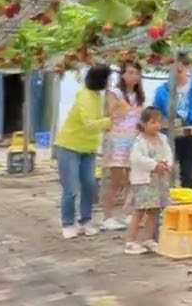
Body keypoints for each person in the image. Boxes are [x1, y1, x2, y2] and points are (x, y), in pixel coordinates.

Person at [56, 64, 114, 239]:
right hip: (69, 147)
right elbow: (89, 124)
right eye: (109, 78)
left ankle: (86, 220)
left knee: (89, 186)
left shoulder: (98, 96)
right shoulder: (84, 97)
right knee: (71, 188)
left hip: (88, 149)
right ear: (101, 79)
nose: (110, 82)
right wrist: (110, 121)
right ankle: (67, 223)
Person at [152, 53, 192, 191]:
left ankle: (187, 201)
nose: (176, 74)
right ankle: (166, 202)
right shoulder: (162, 91)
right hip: (168, 135)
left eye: (179, 70)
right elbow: (155, 113)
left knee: (188, 172)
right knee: (167, 170)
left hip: (189, 134)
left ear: (187, 68)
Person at [98, 61, 143, 231]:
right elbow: (112, 113)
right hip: (116, 140)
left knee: (132, 179)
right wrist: (124, 108)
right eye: (129, 72)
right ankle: (107, 216)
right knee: (115, 179)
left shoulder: (139, 95)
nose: (133, 76)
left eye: (136, 73)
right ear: (123, 75)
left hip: (133, 140)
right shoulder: (114, 93)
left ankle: (127, 213)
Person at [124, 107, 173, 255]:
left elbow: (168, 153)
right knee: (140, 211)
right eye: (153, 122)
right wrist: (154, 165)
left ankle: (148, 239)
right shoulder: (139, 141)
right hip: (144, 182)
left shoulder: (162, 139)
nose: (157, 125)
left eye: (159, 122)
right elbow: (137, 159)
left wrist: (167, 164)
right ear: (144, 123)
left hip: (158, 181)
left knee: (154, 210)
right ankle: (130, 241)